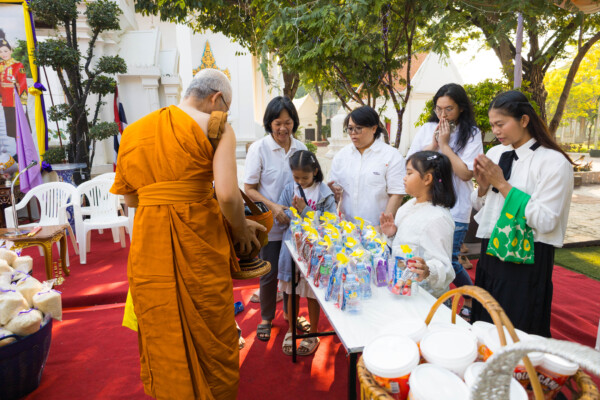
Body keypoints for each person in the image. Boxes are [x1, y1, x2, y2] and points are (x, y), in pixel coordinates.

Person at [111, 69, 264, 400]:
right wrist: (241, 230)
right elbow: (227, 195)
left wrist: (167, 196)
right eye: (226, 106)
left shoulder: (133, 132)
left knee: (160, 323)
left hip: (149, 245)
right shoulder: (216, 127)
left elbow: (131, 200)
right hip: (199, 244)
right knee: (211, 324)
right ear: (216, 99)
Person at [470, 90, 574, 337]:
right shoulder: (495, 154)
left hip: (527, 256)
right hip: (492, 247)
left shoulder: (553, 162)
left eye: (501, 124)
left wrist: (502, 184)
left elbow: (546, 220)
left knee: (517, 327)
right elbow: (482, 207)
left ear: (524, 120)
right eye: (492, 125)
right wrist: (482, 187)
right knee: (486, 320)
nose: (495, 131)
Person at [407, 84, 483, 310]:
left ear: (461, 108)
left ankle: (471, 298)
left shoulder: (472, 134)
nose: (443, 115)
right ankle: (433, 300)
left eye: (449, 109)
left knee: (449, 259)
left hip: (456, 207)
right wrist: (433, 144)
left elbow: (466, 173)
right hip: (426, 205)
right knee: (426, 257)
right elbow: (412, 165)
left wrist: (445, 145)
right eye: (439, 109)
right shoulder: (427, 128)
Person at [244, 96, 307, 342]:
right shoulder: (259, 149)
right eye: (277, 123)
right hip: (269, 224)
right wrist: (274, 207)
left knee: (293, 274)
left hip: (294, 225)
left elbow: (308, 184)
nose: (283, 128)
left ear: (294, 123)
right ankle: (266, 318)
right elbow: (249, 189)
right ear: (269, 123)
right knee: (269, 272)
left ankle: (291, 316)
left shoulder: (300, 149)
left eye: (288, 122)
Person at [277, 150, 336, 356]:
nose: (300, 182)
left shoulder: (324, 193)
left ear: (315, 172)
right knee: (291, 291)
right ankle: (292, 330)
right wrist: (288, 212)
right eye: (296, 177)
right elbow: (281, 216)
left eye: (305, 177)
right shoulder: (289, 189)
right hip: (293, 249)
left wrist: (304, 211)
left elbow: (330, 223)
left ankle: (313, 333)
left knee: (312, 293)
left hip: (316, 252)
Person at [380, 151, 457, 298]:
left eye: (409, 173)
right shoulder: (409, 206)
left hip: (424, 298)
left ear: (427, 179)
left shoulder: (438, 218)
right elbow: (406, 245)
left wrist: (428, 270)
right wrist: (392, 235)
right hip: (402, 288)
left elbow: (445, 267)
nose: (404, 178)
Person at [329, 106, 406, 226]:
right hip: (348, 229)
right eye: (350, 129)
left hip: (377, 229)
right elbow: (334, 190)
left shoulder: (391, 156)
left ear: (374, 128)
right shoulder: (341, 156)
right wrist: (333, 192)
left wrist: (382, 226)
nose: (353, 133)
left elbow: (396, 194)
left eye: (358, 128)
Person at [0, 29, 28, 139]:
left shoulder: (18, 65)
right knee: (12, 131)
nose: (3, 54)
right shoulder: (1, 66)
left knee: (21, 130)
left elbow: (23, 84)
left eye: (5, 51)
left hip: (16, 101)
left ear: (11, 51)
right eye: (0, 52)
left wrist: (23, 102)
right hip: (6, 102)